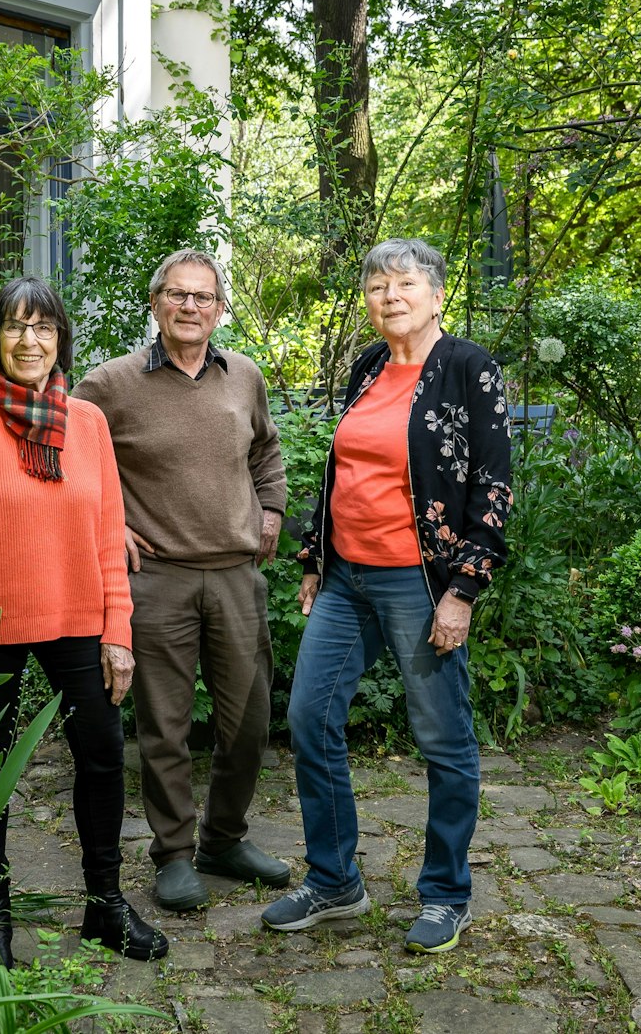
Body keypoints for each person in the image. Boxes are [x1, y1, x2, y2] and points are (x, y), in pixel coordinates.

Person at [262, 238, 512, 955]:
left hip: (420, 581)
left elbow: (493, 486)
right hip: (347, 578)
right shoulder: (369, 365)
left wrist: (464, 588)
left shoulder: (468, 368)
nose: (390, 296)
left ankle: (447, 893)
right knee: (310, 717)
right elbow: (340, 469)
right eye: (377, 286)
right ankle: (335, 880)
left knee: (442, 737)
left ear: (437, 294)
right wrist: (315, 556)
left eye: (405, 283)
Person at [0, 277, 167, 968]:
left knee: (103, 754)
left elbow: (108, 534)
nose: (30, 341)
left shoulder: (86, 424)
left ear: (61, 339)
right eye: (15, 327)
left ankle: (106, 905)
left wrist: (118, 631)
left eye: (44, 327)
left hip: (77, 615)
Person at [74, 250, 291, 913]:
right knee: (164, 729)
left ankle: (223, 839)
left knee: (249, 722)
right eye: (177, 294)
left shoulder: (243, 375)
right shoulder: (111, 384)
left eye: (203, 296)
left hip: (235, 577)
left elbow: (266, 448)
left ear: (220, 309)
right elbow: (64, 452)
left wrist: (273, 508)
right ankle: (172, 854)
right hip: (158, 579)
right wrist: (108, 524)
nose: (190, 306)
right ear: (156, 303)